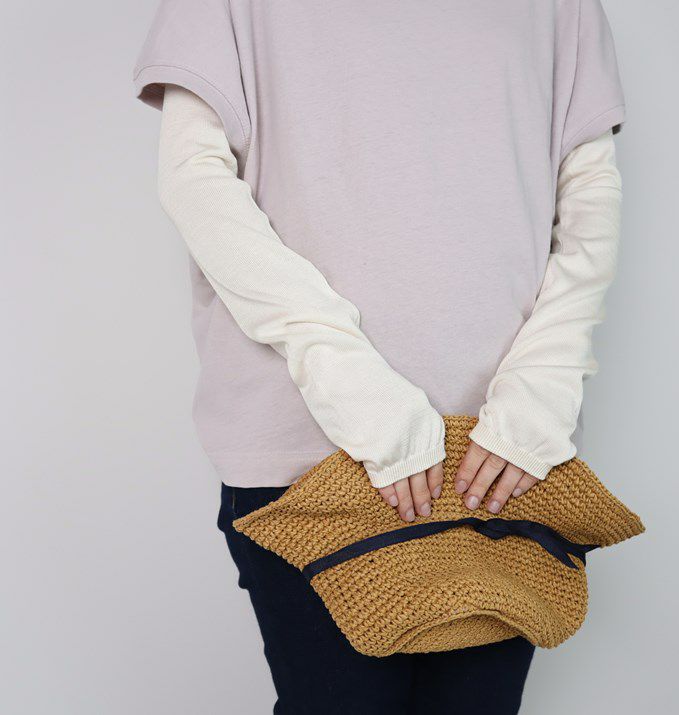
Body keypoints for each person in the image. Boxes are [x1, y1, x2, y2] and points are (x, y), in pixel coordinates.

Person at [133, 1, 625, 712]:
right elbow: (196, 183)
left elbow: (588, 198)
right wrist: (356, 390)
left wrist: (540, 390)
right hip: (311, 455)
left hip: (502, 452)